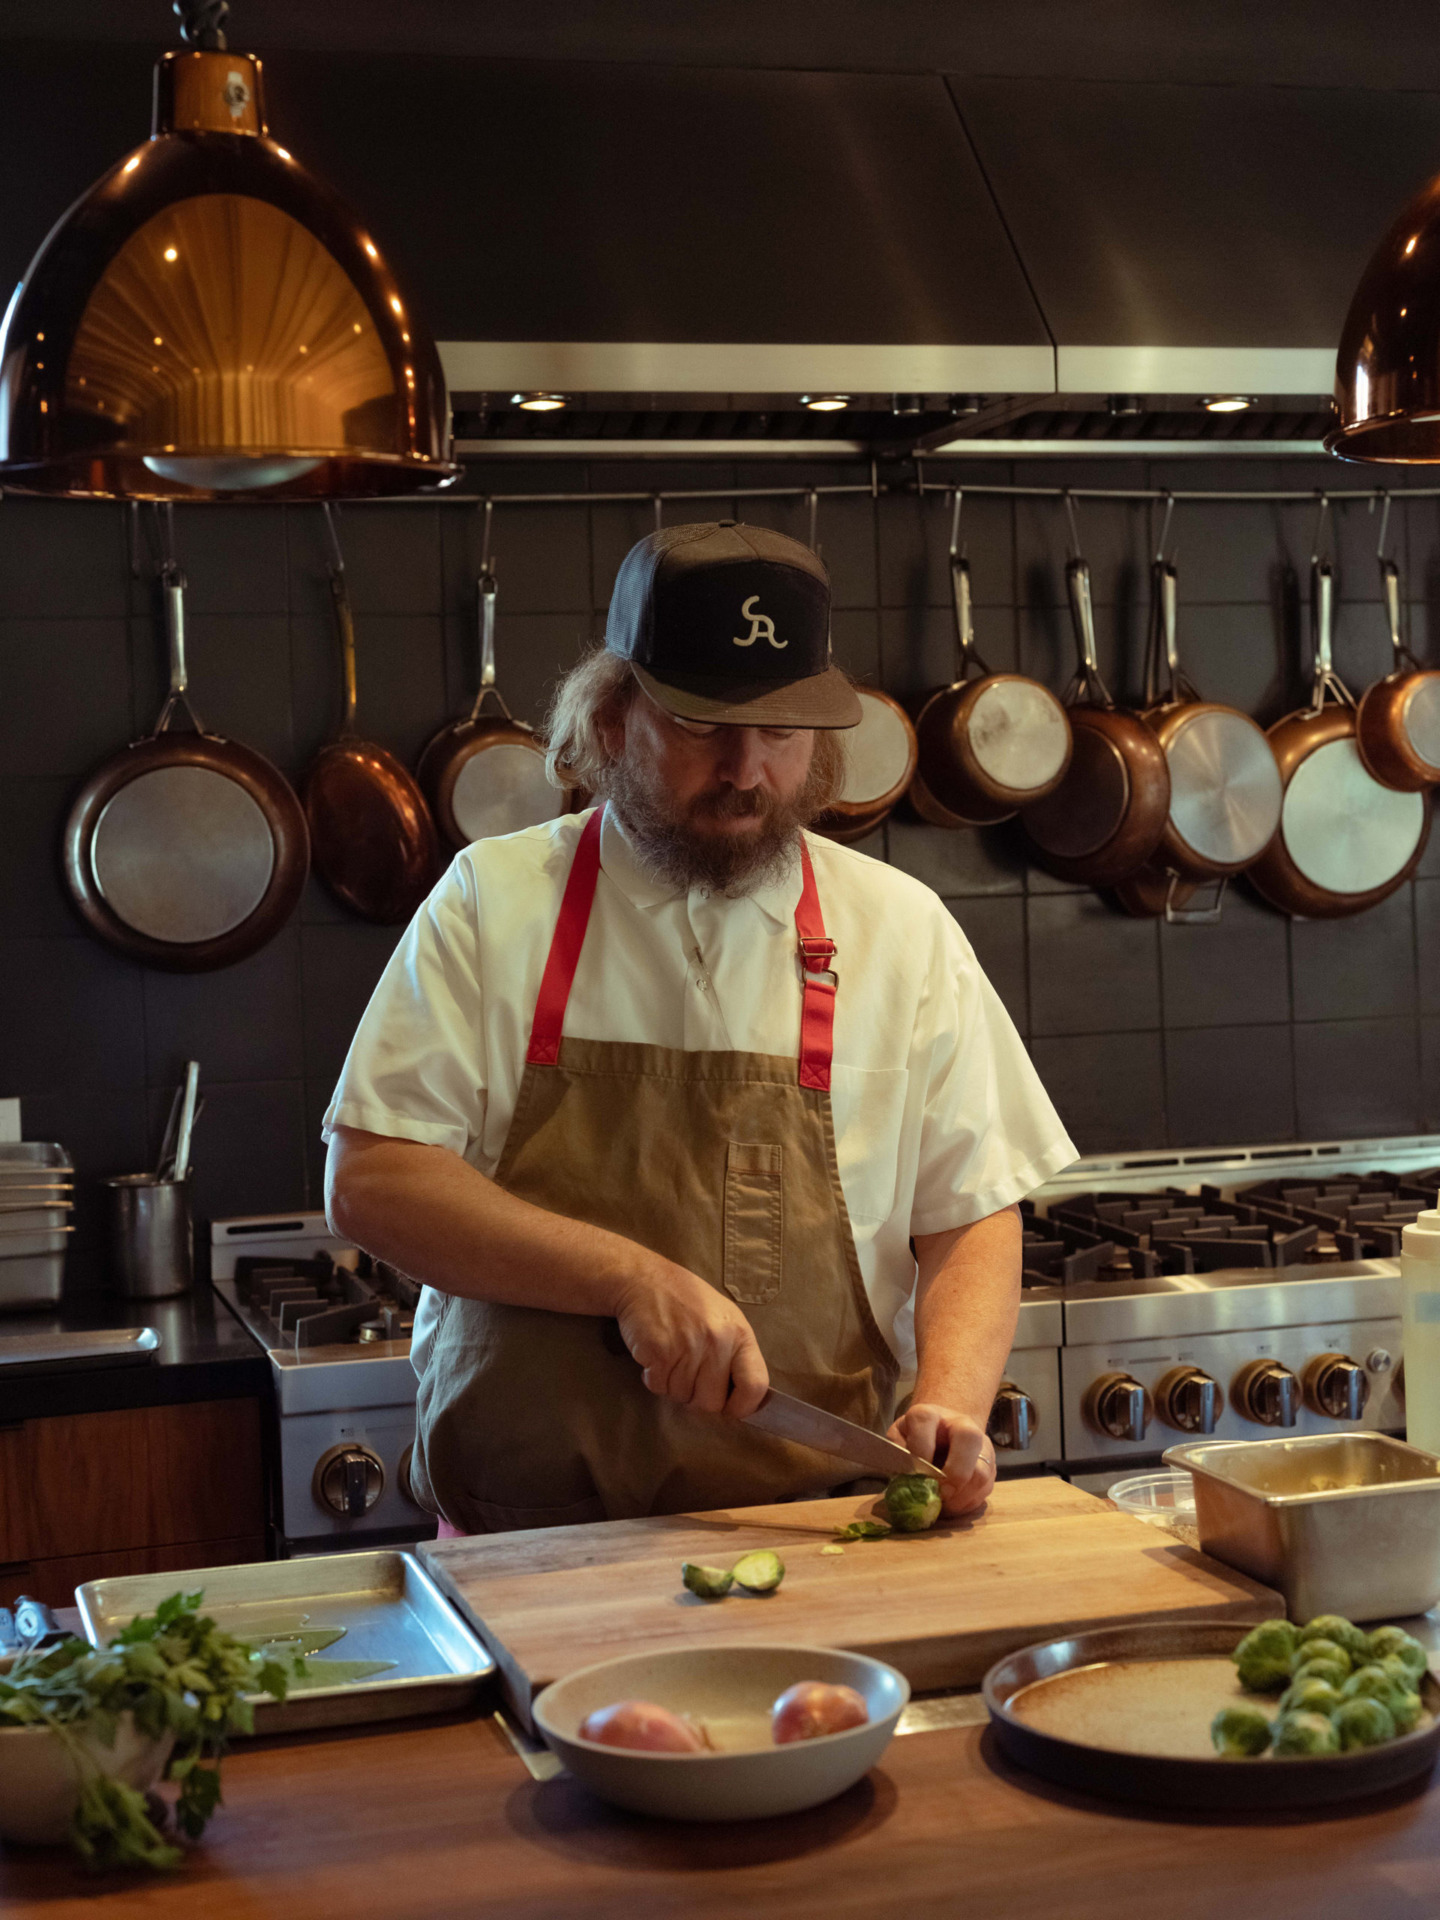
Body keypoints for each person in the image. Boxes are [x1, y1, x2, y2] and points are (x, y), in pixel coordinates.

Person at [324, 520, 1075, 1535]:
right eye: (702, 725)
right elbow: (375, 1181)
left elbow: (972, 1210)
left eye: (782, 731)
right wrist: (629, 1277)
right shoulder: (492, 904)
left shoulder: (900, 931)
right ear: (612, 718)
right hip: (529, 1533)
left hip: (822, 1528)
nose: (746, 769)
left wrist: (950, 1398)